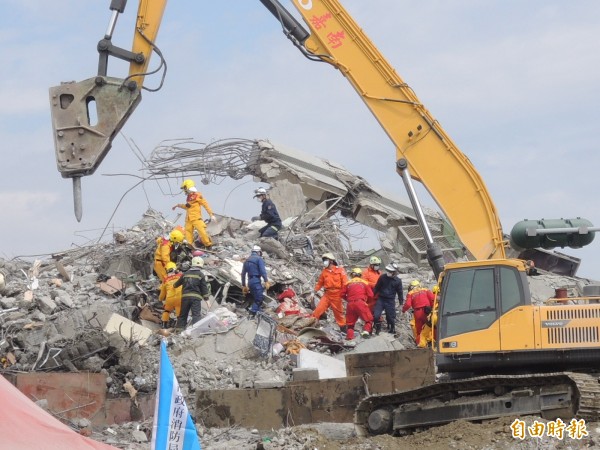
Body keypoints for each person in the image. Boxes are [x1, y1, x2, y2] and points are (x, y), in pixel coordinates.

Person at [172, 179, 216, 249]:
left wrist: (211, 215)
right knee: (188, 232)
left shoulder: (198, 195)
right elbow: (187, 207)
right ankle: (189, 246)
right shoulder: (189, 198)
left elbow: (205, 205)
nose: (184, 190)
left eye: (185, 188)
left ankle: (208, 245)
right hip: (188, 219)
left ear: (188, 187)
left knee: (202, 231)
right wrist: (177, 205)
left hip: (196, 218)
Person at [312, 253, 348, 332]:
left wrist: (345, 294)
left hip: (337, 295)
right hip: (327, 295)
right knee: (318, 311)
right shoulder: (324, 272)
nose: (324, 262)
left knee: (339, 314)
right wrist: (314, 291)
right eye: (324, 260)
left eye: (326, 260)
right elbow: (320, 283)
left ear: (331, 261)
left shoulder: (340, 270)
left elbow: (345, 283)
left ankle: (344, 330)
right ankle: (311, 327)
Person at [173, 256, 210, 330]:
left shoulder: (185, 274)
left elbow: (175, 285)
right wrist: (207, 300)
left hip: (185, 298)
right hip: (196, 298)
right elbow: (204, 288)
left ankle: (179, 331)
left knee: (183, 315)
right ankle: (196, 330)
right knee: (196, 315)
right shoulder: (201, 275)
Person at [340, 268, 374, 340]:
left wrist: (348, 300)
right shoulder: (365, 283)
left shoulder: (347, 283)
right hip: (361, 303)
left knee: (350, 324)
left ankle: (349, 337)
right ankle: (366, 331)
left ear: (352, 275)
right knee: (369, 320)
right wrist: (367, 302)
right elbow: (371, 295)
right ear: (360, 275)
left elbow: (342, 294)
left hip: (350, 304)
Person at [373, 264, 404, 335]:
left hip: (390, 300)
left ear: (394, 272)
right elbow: (377, 287)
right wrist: (371, 296)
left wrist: (401, 303)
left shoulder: (398, 281)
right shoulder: (382, 277)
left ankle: (392, 328)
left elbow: (400, 292)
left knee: (391, 317)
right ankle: (377, 328)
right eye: (388, 271)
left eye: (390, 271)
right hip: (381, 299)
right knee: (376, 315)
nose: (388, 272)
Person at [241, 245, 271, 317]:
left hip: (250, 282)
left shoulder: (246, 260)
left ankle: (258, 313)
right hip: (256, 281)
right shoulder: (258, 259)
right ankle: (252, 313)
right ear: (258, 252)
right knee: (259, 298)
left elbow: (243, 274)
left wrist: (244, 285)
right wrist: (266, 281)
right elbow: (262, 271)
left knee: (256, 297)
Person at [402, 280, 435, 345]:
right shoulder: (426, 290)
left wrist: (403, 310)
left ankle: (421, 344)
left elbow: (408, 304)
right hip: (427, 311)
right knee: (429, 326)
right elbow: (433, 298)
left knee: (419, 330)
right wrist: (432, 308)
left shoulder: (410, 293)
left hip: (418, 312)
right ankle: (431, 341)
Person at [158, 262, 183, 328]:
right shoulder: (180, 276)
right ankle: (179, 326)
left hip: (170, 299)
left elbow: (162, 294)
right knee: (179, 311)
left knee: (167, 311)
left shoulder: (166, 280)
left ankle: (164, 325)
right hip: (180, 297)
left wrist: (160, 299)